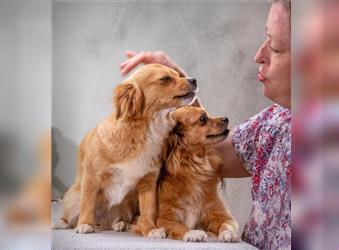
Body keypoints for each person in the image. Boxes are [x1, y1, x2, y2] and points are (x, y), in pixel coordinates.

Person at [119, 0, 291, 249]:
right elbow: (208, 152)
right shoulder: (276, 121)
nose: (259, 55)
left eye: (275, 47)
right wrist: (182, 89)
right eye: (265, 38)